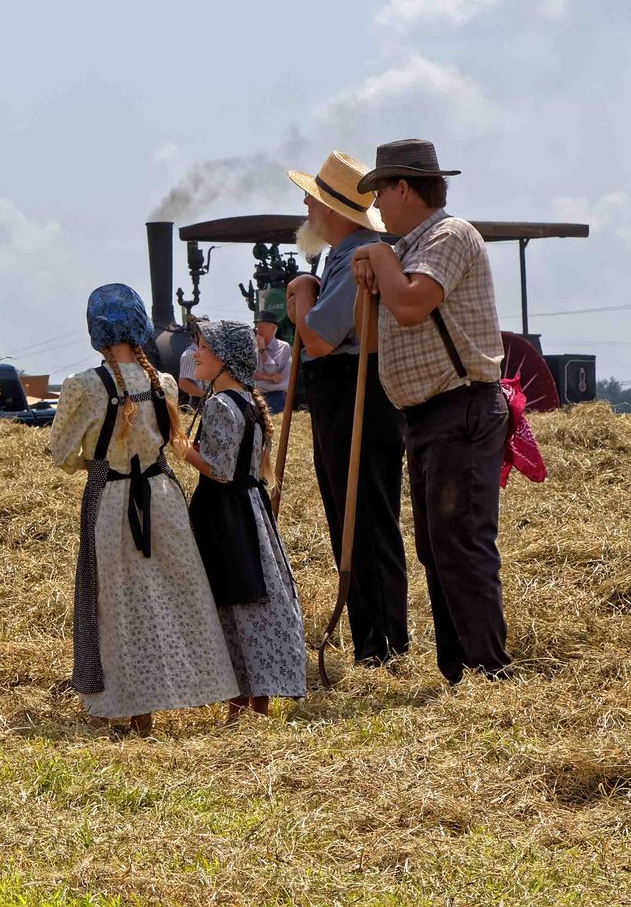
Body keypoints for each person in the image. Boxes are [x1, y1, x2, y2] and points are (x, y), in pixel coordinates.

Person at [352, 139, 511, 684]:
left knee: (460, 542)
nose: (376, 206)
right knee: (436, 547)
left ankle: (487, 669)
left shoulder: (449, 234)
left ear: (402, 187)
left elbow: (413, 303)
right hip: (425, 415)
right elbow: (375, 325)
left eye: (379, 192)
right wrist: (371, 276)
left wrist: (377, 258)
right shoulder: (405, 250)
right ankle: (459, 670)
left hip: (460, 406)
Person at [47, 284, 235, 734]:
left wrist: (92, 457)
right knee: (176, 595)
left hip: (111, 499)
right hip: (163, 498)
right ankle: (186, 691)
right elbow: (173, 441)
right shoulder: (163, 381)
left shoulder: (83, 386)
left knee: (117, 602)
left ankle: (131, 706)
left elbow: (61, 455)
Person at [283, 151, 410, 667]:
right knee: (348, 515)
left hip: (356, 395)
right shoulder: (341, 258)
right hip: (340, 394)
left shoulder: (359, 255)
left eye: (313, 198)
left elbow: (318, 340)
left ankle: (381, 645)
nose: (306, 205)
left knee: (363, 517)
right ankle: (373, 641)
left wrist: (298, 305)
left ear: (334, 210)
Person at [183, 319, 307, 719]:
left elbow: (218, 469)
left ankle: (238, 708)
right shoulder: (249, 401)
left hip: (224, 514)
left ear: (224, 358)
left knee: (231, 599)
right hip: (250, 510)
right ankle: (257, 704)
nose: (195, 354)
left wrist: (181, 448)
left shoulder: (220, 404)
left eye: (202, 347)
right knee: (253, 600)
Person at [251, 312, 291, 414]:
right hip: (256, 395)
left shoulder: (283, 347)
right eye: (257, 327)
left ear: (273, 329)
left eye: (262, 327)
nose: (258, 330)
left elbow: (271, 370)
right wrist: (268, 378)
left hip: (275, 397)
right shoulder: (253, 347)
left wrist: (262, 350)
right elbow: (249, 373)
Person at [177, 325, 205, 405]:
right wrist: (205, 395)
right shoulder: (190, 354)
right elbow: (184, 383)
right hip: (199, 401)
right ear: (196, 335)